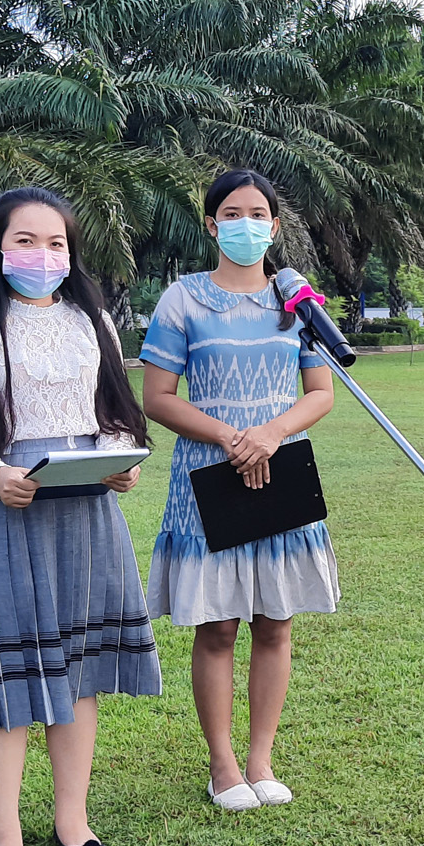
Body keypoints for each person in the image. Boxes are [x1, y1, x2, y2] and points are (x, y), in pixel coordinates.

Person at [0, 186, 160, 846]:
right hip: (6, 511)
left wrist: (120, 462)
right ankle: (4, 840)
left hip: (87, 515)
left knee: (79, 672)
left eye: (55, 242)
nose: (42, 254)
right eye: (25, 241)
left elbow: (112, 414)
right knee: (4, 674)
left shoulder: (93, 322)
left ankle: (72, 820)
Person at [139, 169, 338, 812]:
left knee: (275, 622)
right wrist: (232, 438)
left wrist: (271, 434)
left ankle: (262, 760)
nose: (244, 224)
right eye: (231, 213)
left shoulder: (296, 301)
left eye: (257, 215)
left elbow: (321, 392)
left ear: (274, 227)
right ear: (211, 224)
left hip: (281, 470)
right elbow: (157, 397)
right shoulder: (183, 300)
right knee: (219, 626)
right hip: (210, 473)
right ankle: (223, 766)